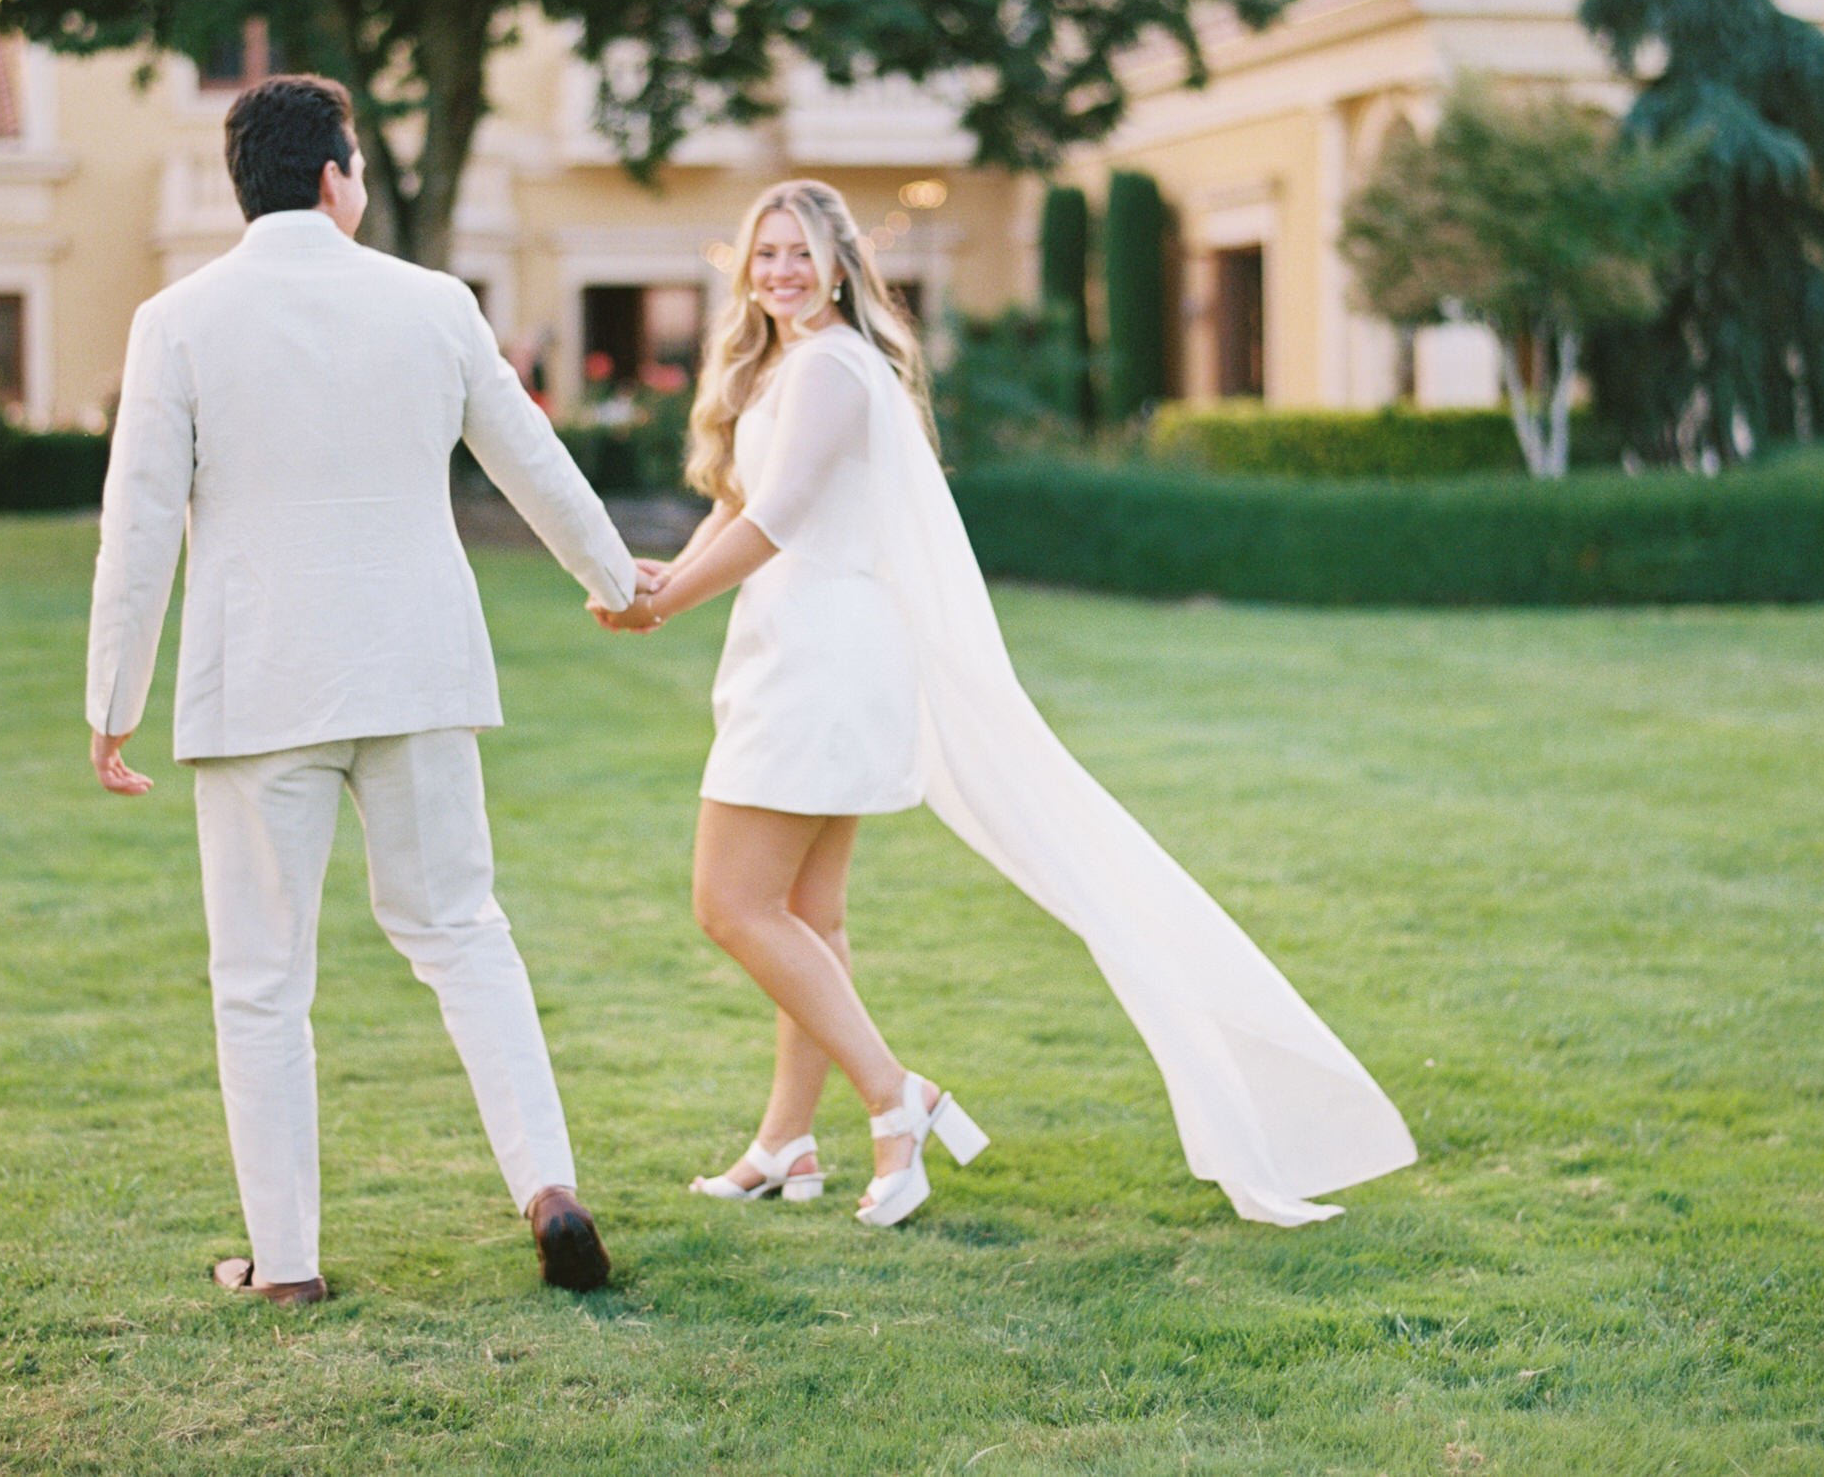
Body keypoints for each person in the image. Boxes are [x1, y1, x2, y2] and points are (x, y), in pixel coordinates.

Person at [592, 179, 1416, 1228]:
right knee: (808, 918)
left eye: (800, 254)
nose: (780, 272)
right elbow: (737, 504)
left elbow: (784, 519)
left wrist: (664, 610)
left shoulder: (837, 369)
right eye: (764, 255)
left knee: (733, 904)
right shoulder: (786, 367)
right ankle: (785, 1143)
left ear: (842, 263)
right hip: (799, 653)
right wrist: (664, 579)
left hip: (823, 664)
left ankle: (898, 1101)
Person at [84, 74, 659, 1301]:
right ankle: (550, 1190)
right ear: (339, 176)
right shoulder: (434, 302)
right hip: (416, 672)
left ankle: (287, 1268)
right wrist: (612, 576)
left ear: (249, 186)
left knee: (260, 981)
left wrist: (112, 698)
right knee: (464, 935)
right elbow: (531, 460)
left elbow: (134, 525)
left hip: (259, 690)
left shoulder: (176, 318)